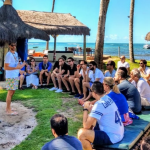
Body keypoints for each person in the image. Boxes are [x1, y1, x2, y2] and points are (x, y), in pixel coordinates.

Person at [78, 81, 124, 150]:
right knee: (93, 122)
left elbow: (86, 126)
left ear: (94, 92)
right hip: (118, 132)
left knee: (82, 134)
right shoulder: (108, 98)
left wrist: (85, 109)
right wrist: (91, 109)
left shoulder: (99, 104)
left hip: (112, 136)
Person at [4, 42, 25, 115]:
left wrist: (20, 68)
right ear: (9, 46)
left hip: (15, 75)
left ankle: (8, 107)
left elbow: (16, 65)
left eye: (15, 45)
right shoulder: (8, 55)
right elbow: (6, 67)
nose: (14, 46)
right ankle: (8, 109)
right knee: (10, 92)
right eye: (12, 45)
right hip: (10, 76)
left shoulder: (15, 53)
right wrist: (17, 67)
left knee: (13, 92)